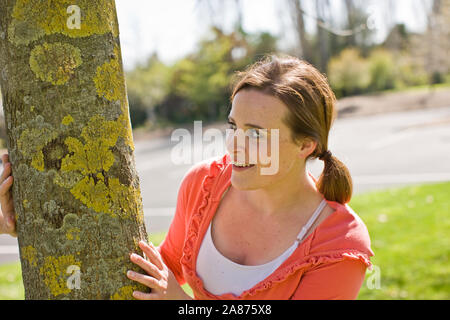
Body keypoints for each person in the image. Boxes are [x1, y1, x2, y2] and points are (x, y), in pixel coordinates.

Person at [0, 54, 373, 300]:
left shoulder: (338, 243)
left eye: (256, 134)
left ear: (306, 144)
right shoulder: (204, 185)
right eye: (233, 126)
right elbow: (150, 273)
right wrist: (39, 221)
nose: (235, 146)